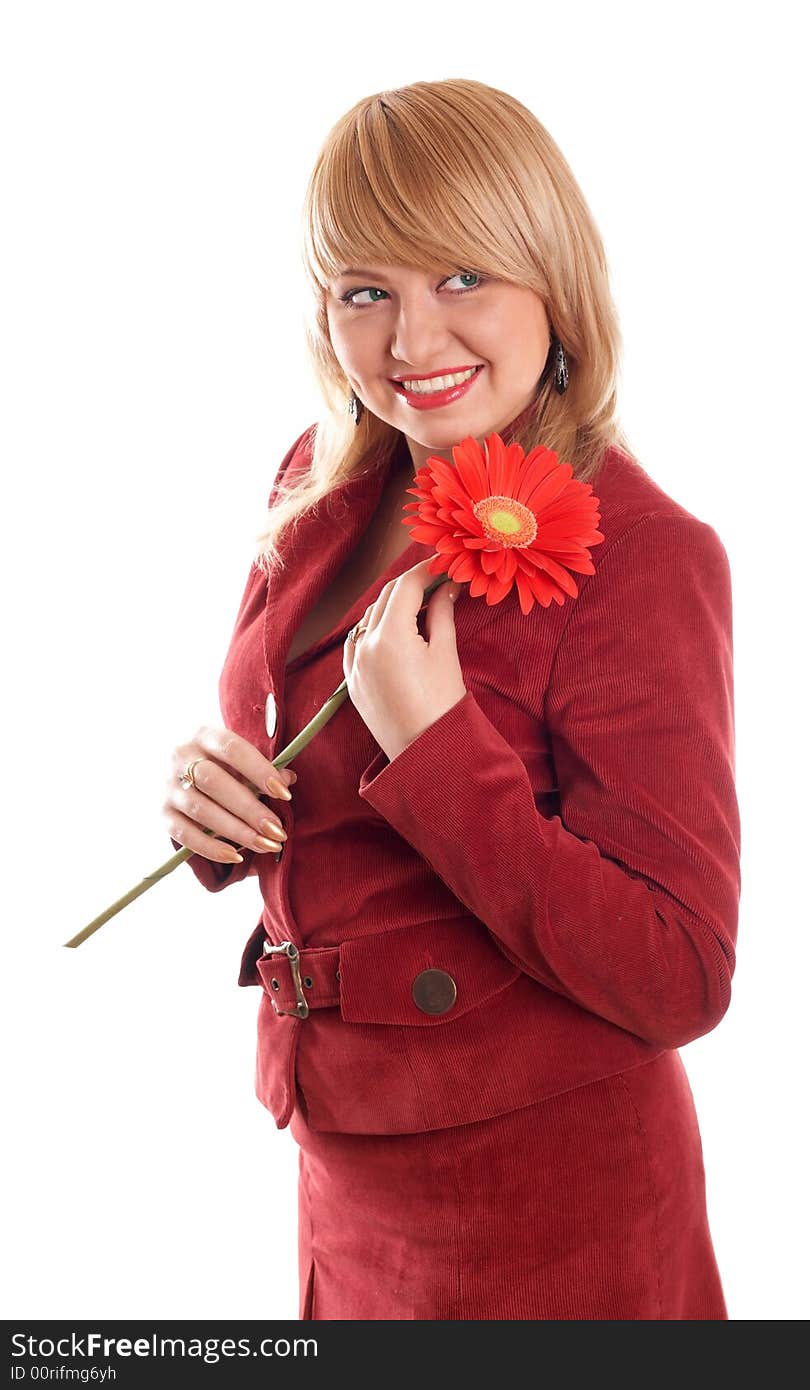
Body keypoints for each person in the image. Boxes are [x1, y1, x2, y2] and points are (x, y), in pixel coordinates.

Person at [164, 78, 741, 1321]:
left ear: (552, 277)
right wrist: (208, 809)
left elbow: (682, 972)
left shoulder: (643, 554)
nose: (413, 345)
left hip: (555, 1212)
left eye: (461, 277)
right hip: (345, 1178)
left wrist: (434, 748)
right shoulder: (315, 481)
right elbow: (283, 764)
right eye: (366, 293)